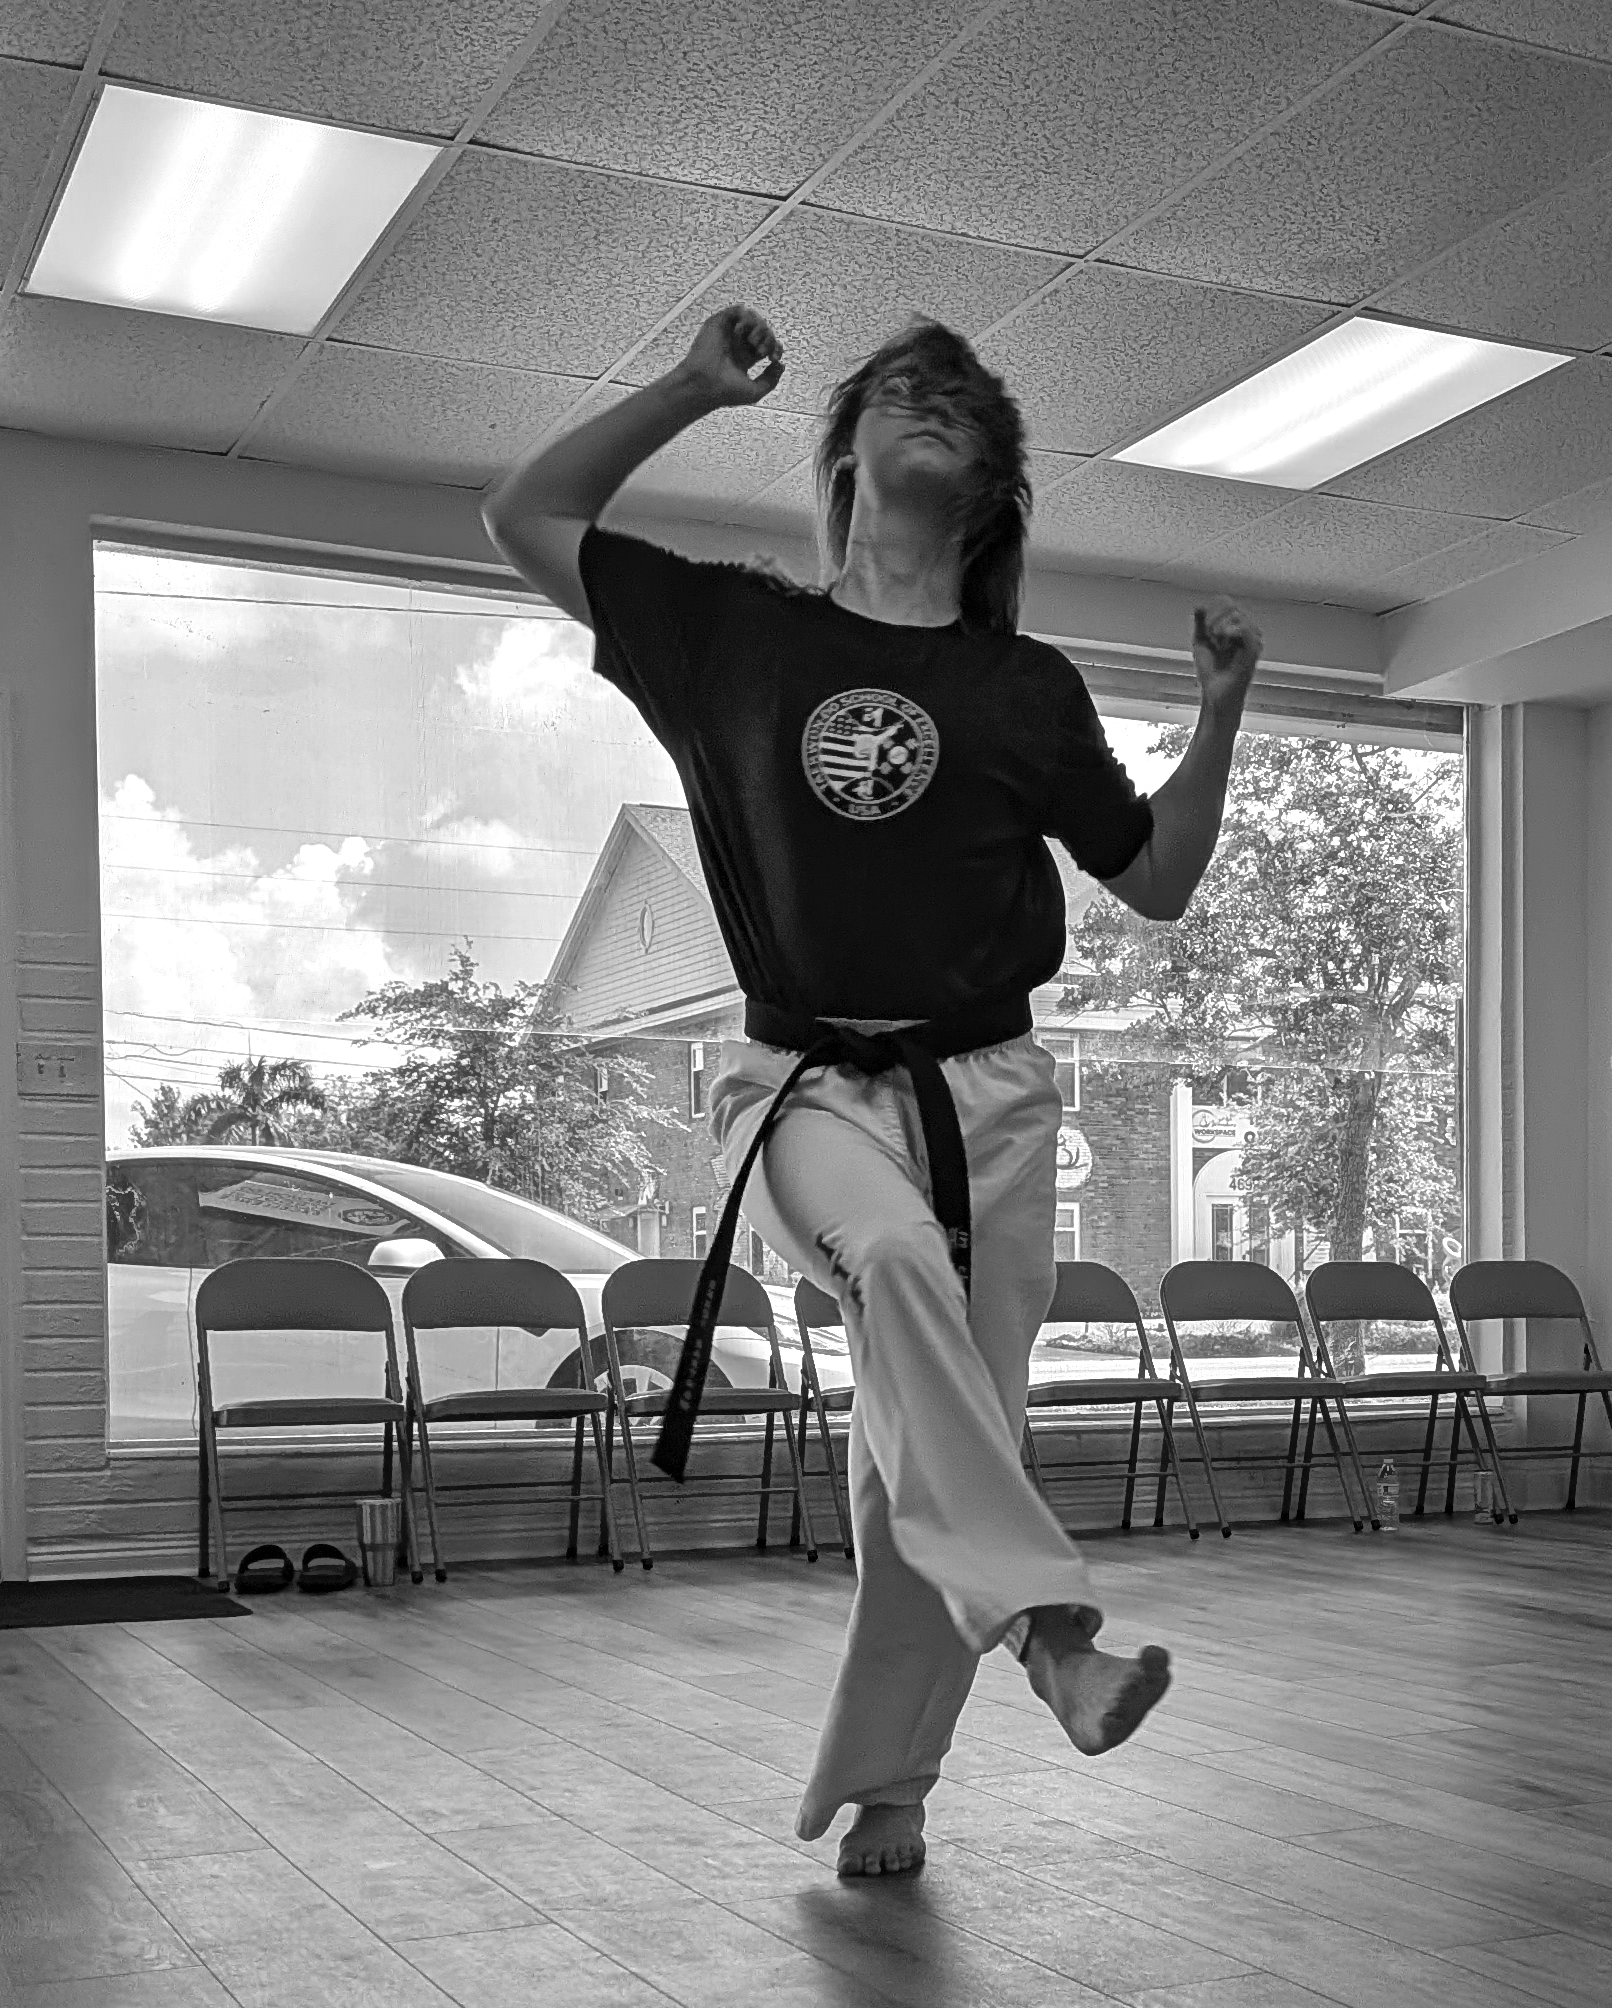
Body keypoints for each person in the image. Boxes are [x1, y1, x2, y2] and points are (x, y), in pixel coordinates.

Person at [483, 305, 1260, 1872]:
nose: (930, 401)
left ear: (989, 491)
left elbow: (1159, 879)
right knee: (896, 1268)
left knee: (934, 1430)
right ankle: (1049, 1630)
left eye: (960, 401)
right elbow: (529, 516)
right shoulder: (735, 634)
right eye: (899, 391)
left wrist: (1222, 709)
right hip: (800, 1084)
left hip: (991, 1096)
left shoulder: (1025, 688)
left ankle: (888, 1785)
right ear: (844, 457)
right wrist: (694, 390)